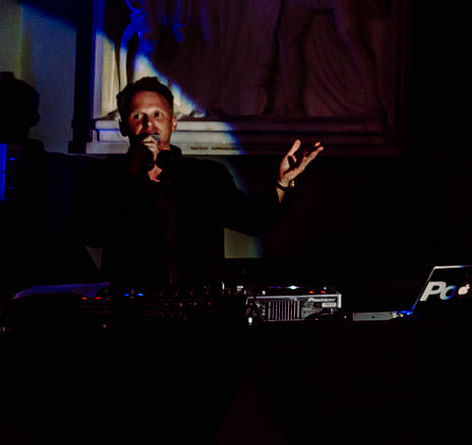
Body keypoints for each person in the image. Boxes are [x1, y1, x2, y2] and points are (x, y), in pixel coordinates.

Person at [74, 77, 322, 290]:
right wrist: (133, 172)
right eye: (138, 116)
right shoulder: (102, 177)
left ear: (172, 122)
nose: (149, 125)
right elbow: (93, 233)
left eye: (157, 115)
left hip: (199, 313)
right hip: (132, 312)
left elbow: (254, 220)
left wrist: (281, 183)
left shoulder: (206, 176)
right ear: (123, 126)